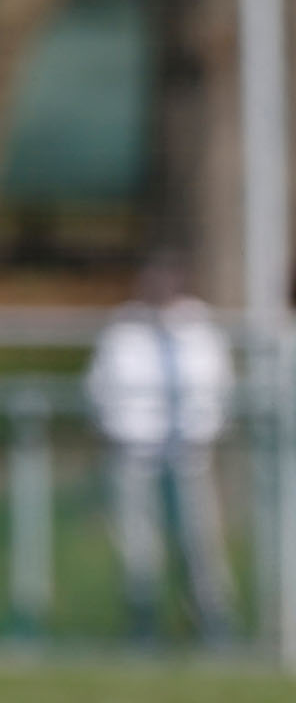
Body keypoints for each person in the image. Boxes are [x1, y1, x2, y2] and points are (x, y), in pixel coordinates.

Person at [85, 253, 237, 644]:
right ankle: (144, 622)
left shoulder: (199, 327)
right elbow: (100, 386)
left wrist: (203, 432)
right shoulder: (123, 328)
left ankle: (212, 621)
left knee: (199, 542)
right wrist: (120, 428)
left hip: (190, 455)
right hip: (135, 452)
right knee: (138, 544)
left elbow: (219, 386)